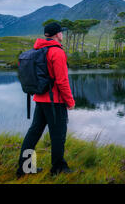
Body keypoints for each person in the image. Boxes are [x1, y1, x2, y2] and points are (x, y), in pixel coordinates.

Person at [16, 22, 76, 178]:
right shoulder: (57, 52)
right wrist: (70, 102)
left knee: (33, 133)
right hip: (55, 101)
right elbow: (62, 81)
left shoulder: (39, 49)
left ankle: (25, 167)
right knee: (58, 135)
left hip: (39, 98)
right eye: (62, 32)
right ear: (57, 34)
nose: (63, 34)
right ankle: (58, 168)